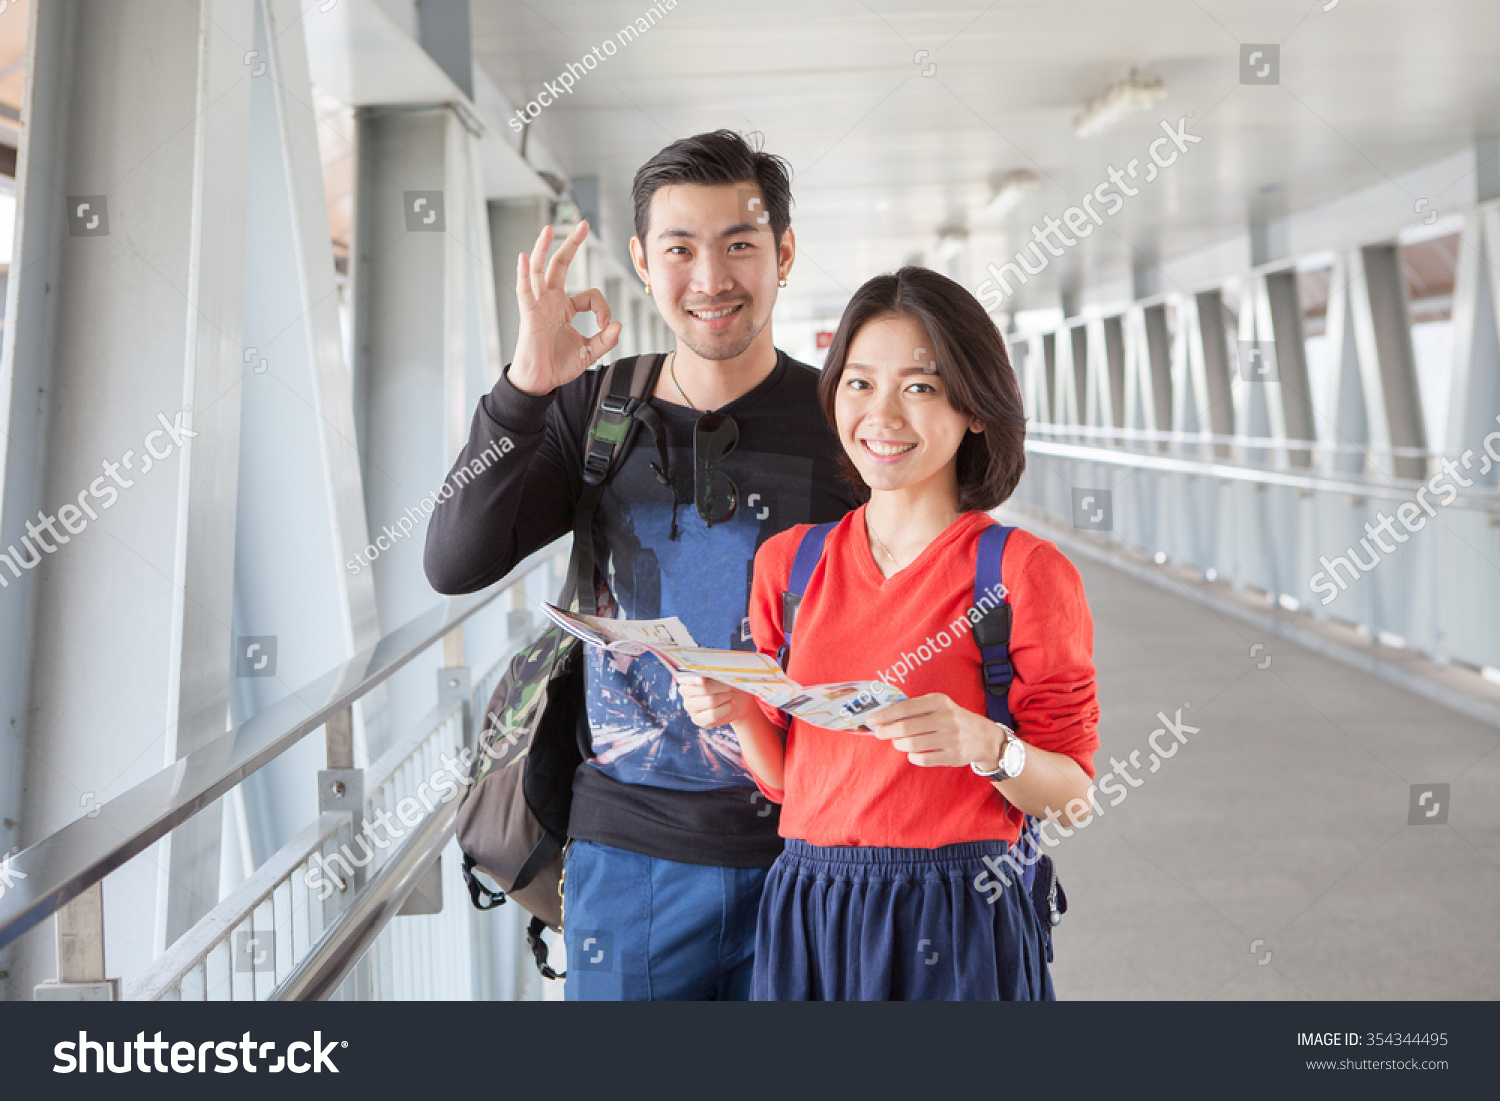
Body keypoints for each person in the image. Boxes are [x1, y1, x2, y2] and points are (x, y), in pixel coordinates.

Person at [424, 131, 861, 999]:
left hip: (814, 848)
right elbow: (455, 560)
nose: (711, 278)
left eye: (740, 244)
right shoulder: (597, 405)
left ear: (784, 252)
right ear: (641, 259)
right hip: (629, 859)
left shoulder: (839, 418)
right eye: (680, 248)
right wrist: (525, 387)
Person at [677, 266, 1101, 1000]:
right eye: (859, 382)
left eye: (921, 386)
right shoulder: (792, 564)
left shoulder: (1024, 571)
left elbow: (1071, 797)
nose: (883, 414)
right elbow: (789, 780)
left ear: (974, 407)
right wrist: (740, 708)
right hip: (812, 901)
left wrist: (986, 745)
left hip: (960, 905)